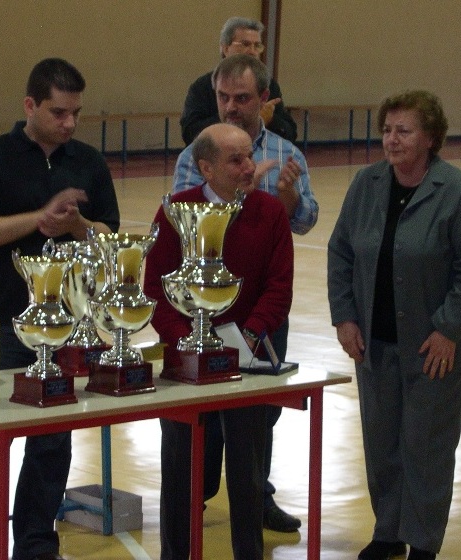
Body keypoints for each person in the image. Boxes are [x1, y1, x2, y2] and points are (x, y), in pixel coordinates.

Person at [0, 58, 120, 560]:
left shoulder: (88, 162)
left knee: (52, 441)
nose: (69, 123)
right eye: (58, 112)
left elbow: (110, 233)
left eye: (76, 114)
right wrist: (38, 220)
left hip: (68, 325)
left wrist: (77, 225)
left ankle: (37, 545)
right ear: (30, 105)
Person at [327, 90, 461, 560]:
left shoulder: (459, 192)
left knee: (427, 447)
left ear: (430, 138)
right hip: (374, 344)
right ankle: (388, 533)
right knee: (382, 445)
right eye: (387, 130)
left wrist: (448, 330)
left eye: (404, 131)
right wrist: (344, 317)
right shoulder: (367, 184)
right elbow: (341, 251)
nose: (391, 140)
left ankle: (422, 541)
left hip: (433, 348)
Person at [174, 53, 318, 532]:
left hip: (263, 309)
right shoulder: (198, 152)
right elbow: (182, 228)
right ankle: (196, 497)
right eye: (223, 97)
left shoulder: (286, 154)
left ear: (264, 101)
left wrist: (286, 201)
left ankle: (256, 497)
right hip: (203, 310)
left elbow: (304, 220)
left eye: (241, 98)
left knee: (260, 416)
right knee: (203, 416)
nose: (230, 107)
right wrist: (238, 196)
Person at [144, 122, 294, 559]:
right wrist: (184, 342)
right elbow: (155, 285)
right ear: (205, 167)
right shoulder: (174, 211)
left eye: (250, 156)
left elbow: (278, 286)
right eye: (236, 160)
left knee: (248, 475)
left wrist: (246, 339)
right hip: (184, 365)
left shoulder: (269, 212)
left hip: (245, 365)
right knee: (180, 471)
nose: (250, 167)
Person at [180, 16, 297, 145]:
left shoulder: (268, 84)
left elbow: (290, 133)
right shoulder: (202, 86)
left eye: (257, 45)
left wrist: (270, 120)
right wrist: (237, 119)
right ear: (225, 48)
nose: (252, 52)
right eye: (245, 44)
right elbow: (190, 133)